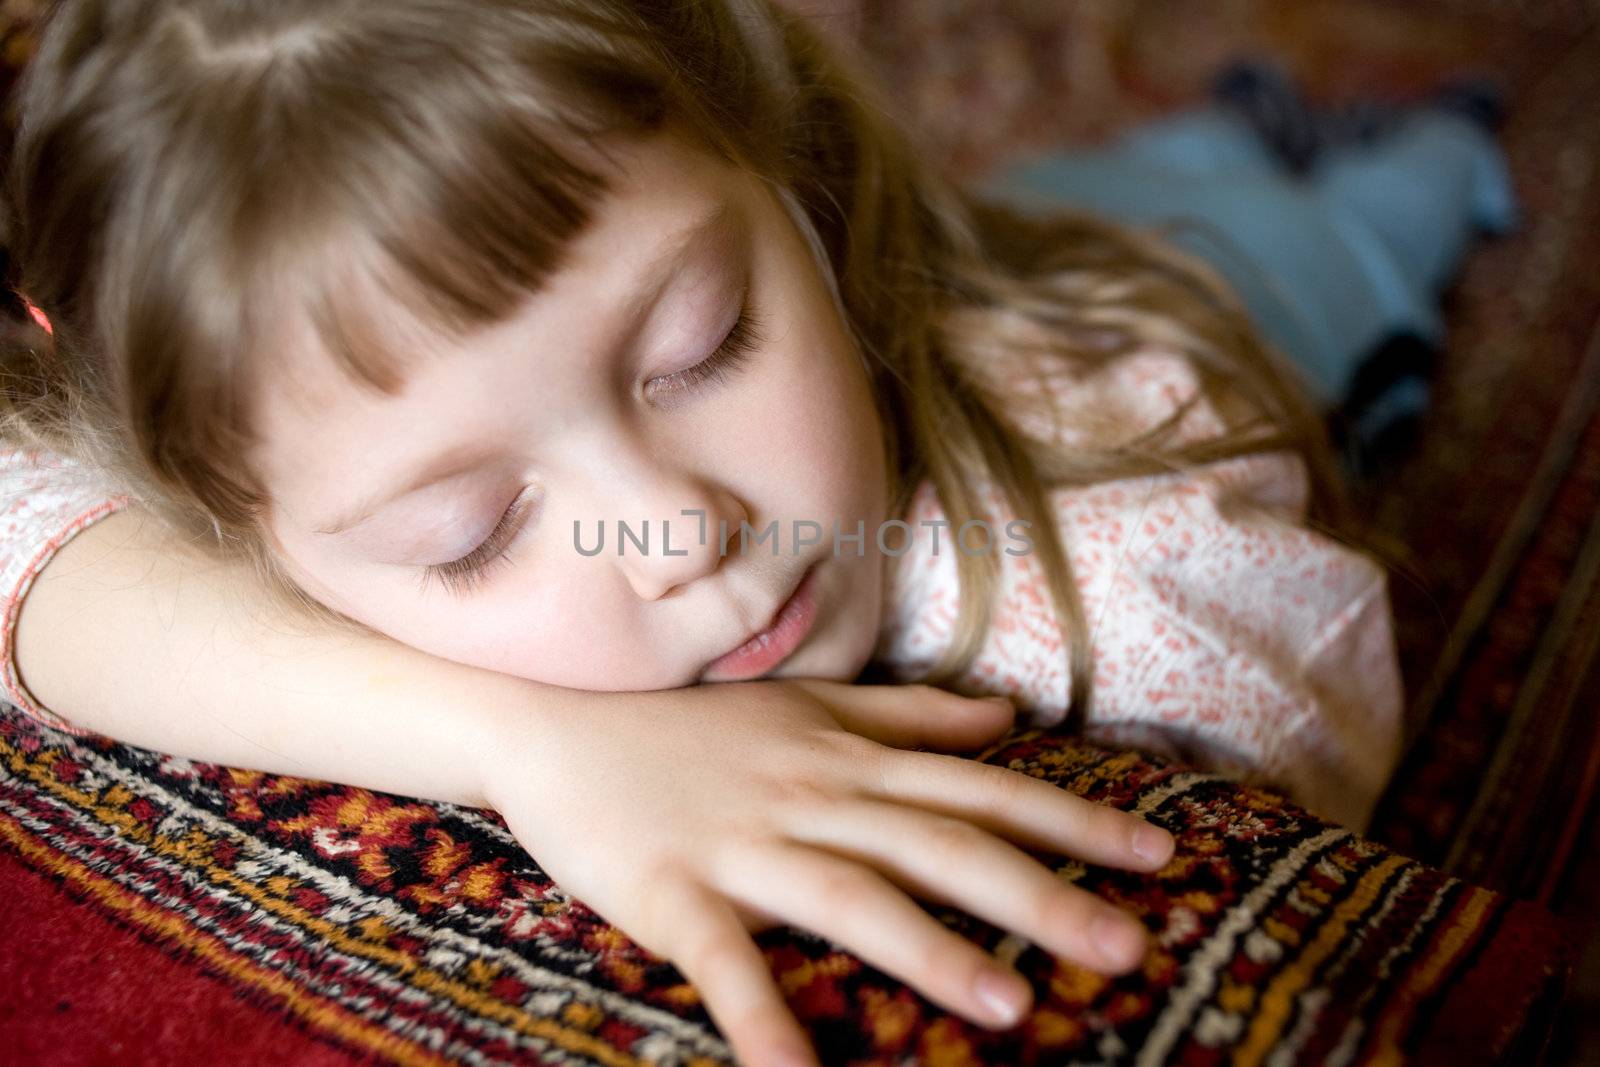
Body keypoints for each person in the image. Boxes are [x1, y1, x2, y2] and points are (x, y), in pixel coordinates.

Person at [0, 3, 1403, 1065]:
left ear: (783, 173)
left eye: (703, 344)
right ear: (213, 502)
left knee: (1353, 212)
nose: (678, 534)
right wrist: (526, 741)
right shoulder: (217, 449)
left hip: (1204, 296)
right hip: (1025, 239)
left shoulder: (1138, 591)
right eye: (470, 531)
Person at [979, 60, 1517, 482]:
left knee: (1410, 193)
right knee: (1199, 142)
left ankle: (1448, 131)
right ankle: (1255, 115)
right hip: (1081, 190)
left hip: (1313, 265)